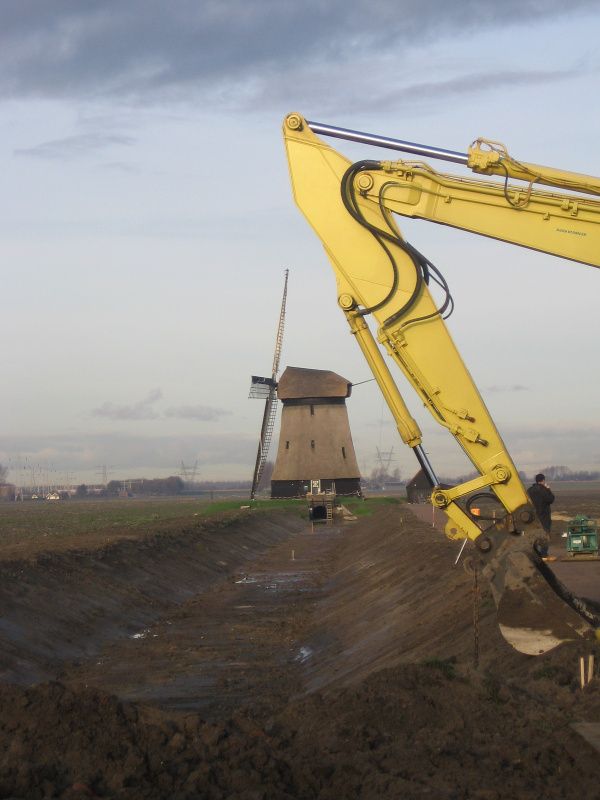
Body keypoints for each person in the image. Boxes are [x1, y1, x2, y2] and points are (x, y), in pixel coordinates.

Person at [527, 473, 555, 558]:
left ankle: (534, 553)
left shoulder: (529, 490)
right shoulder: (543, 489)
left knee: (533, 535)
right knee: (545, 534)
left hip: (532, 516)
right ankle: (544, 554)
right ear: (543, 480)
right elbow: (551, 499)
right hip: (544, 516)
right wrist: (548, 489)